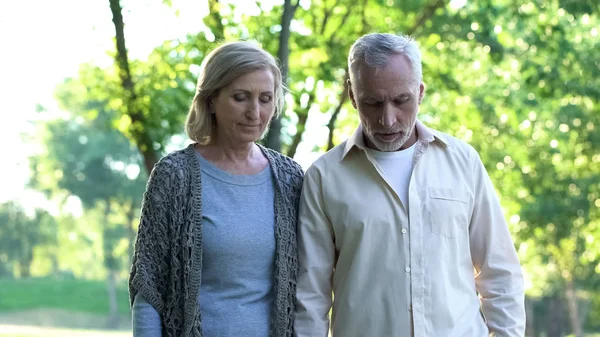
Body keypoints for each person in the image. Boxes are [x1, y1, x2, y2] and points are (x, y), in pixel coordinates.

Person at [294, 33, 525, 337]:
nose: (387, 120)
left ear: (420, 92)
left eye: (401, 100)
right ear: (352, 96)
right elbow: (310, 296)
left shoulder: (463, 162)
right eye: (372, 103)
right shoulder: (324, 177)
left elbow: (500, 273)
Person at [129, 41, 304, 337]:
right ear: (211, 99)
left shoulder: (290, 178)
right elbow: (149, 287)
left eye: (265, 98)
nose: (254, 111)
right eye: (240, 97)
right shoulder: (175, 175)